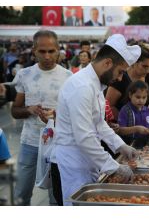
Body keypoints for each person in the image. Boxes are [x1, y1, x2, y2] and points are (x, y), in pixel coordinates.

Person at [53, 34, 141, 205]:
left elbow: (99, 123)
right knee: (77, 205)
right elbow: (84, 137)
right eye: (120, 72)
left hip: (87, 157)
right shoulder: (82, 87)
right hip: (74, 160)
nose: (121, 78)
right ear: (107, 63)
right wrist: (114, 167)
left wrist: (120, 146)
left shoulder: (96, 84)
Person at [11, 30, 72, 205]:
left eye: (51, 51)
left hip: (57, 144)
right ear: (34, 51)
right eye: (42, 51)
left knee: (56, 196)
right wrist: (28, 109)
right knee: (22, 194)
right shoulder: (24, 75)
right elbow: (15, 110)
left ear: (58, 50)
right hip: (29, 142)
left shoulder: (68, 77)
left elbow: (74, 114)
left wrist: (56, 117)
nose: (47, 56)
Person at [106, 43, 149, 129]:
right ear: (134, 62)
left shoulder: (148, 77)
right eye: (144, 66)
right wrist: (128, 121)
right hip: (122, 130)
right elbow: (109, 105)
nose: (148, 70)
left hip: (143, 129)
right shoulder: (120, 78)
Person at [118, 80, 149, 149]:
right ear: (130, 95)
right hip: (129, 147)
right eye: (138, 97)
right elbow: (120, 130)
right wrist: (136, 129)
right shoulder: (125, 110)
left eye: (144, 97)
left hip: (145, 146)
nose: (141, 100)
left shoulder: (147, 110)